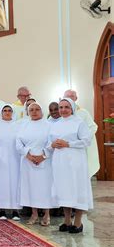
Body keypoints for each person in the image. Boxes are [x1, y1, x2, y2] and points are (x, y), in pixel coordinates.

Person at [49, 98, 93, 234]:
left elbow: (86, 141)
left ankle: (78, 222)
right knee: (64, 189)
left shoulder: (79, 123)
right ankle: (67, 220)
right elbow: (49, 142)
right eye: (60, 107)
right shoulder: (55, 124)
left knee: (77, 188)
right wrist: (52, 145)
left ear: (72, 108)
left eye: (66, 107)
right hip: (60, 161)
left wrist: (68, 144)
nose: (63, 110)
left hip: (75, 161)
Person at [16, 102, 55, 226]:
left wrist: (42, 156)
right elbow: (18, 142)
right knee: (31, 187)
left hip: (45, 160)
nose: (34, 111)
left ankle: (47, 214)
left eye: (37, 109)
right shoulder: (24, 125)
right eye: (31, 109)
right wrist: (28, 155)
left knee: (44, 187)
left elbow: (51, 143)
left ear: (42, 111)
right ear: (28, 112)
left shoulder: (49, 125)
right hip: (28, 160)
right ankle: (34, 214)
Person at [0, 105, 22, 220]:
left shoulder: (18, 125)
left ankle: (15, 211)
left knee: (15, 182)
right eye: (5, 110)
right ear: (1, 112)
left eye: (9, 111)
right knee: (1, 182)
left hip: (15, 157)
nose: (7, 112)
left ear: (13, 113)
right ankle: (2, 210)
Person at [64, 89, 100, 177]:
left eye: (72, 96)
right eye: (67, 96)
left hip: (79, 147)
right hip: (65, 148)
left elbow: (93, 127)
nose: (69, 98)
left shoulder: (83, 112)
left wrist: (85, 139)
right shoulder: (60, 112)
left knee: (80, 173)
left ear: (76, 98)